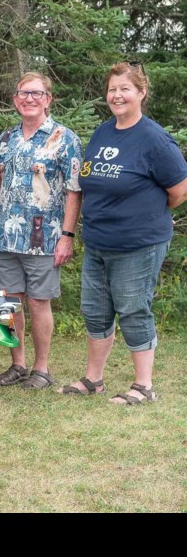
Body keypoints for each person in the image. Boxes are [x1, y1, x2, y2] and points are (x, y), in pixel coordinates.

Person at [60, 61, 187, 404]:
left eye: (125, 89)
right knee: (95, 310)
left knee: (133, 308)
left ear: (141, 93)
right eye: (112, 89)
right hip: (99, 242)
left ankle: (144, 386)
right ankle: (93, 379)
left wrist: (145, 213)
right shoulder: (103, 132)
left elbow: (179, 190)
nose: (117, 95)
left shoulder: (155, 140)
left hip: (138, 244)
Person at [0, 73, 82, 389]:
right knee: (9, 303)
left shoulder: (64, 138)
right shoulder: (5, 139)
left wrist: (67, 236)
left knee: (38, 302)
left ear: (48, 99)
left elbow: (74, 190)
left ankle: (41, 369)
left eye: (36, 93)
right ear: (15, 100)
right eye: (23, 93)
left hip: (44, 237)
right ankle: (17, 363)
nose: (29, 99)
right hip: (5, 237)